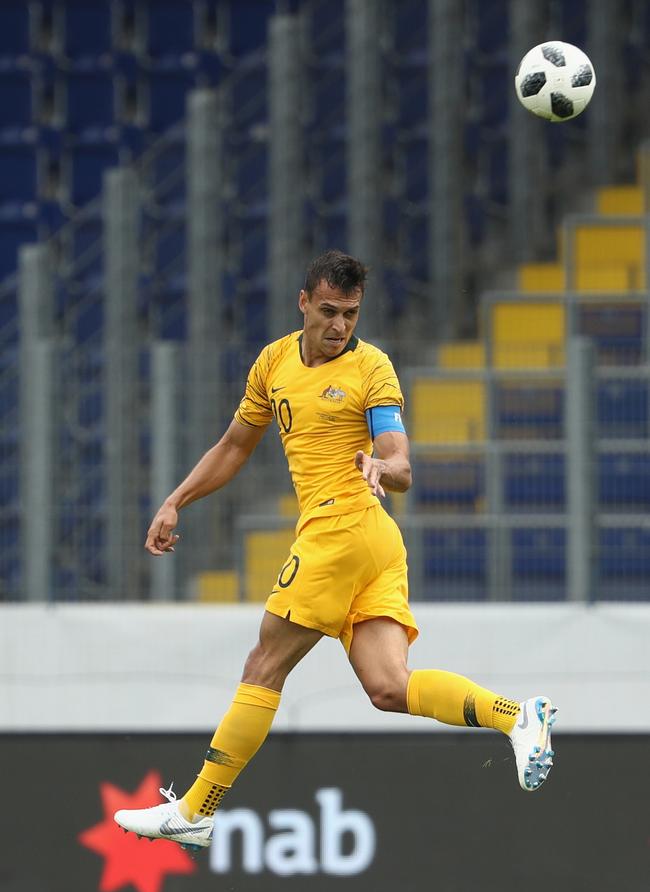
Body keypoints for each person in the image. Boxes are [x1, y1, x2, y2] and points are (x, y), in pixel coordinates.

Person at [114, 250, 557, 852]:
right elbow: (235, 445)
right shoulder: (272, 362)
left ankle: (196, 809)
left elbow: (399, 458)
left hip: (342, 530)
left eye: (350, 314)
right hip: (371, 545)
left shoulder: (371, 368)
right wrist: (175, 500)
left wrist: (384, 464)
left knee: (263, 665)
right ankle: (517, 717)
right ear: (303, 302)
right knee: (390, 688)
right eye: (328, 311)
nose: (339, 326)